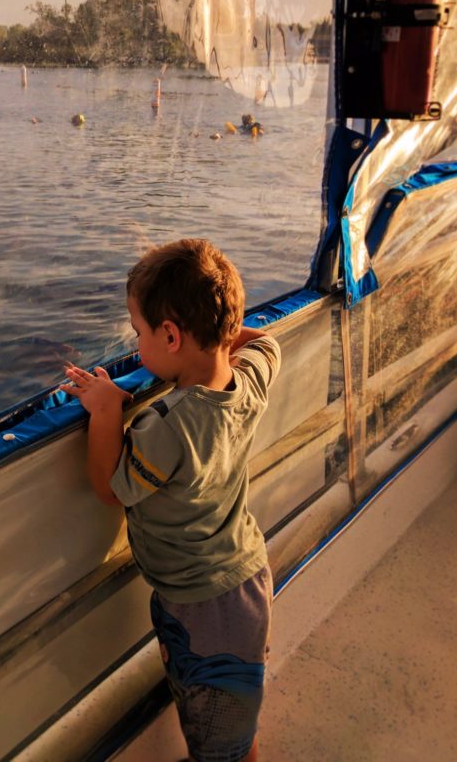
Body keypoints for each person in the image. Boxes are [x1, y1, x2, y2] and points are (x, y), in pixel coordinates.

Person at [61, 238, 280, 762]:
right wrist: (222, 338)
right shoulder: (249, 382)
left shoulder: (168, 426)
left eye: (139, 333)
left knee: (216, 731)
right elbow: (266, 342)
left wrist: (108, 411)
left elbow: (111, 489)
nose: (137, 349)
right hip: (246, 579)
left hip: (204, 607)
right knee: (232, 718)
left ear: (172, 335)